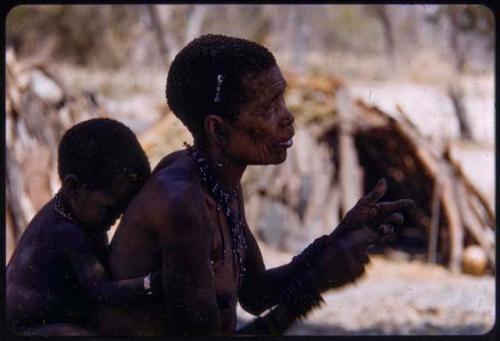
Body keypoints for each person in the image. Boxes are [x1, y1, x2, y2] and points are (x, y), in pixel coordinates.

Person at [97, 34, 414, 336]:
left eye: (282, 99)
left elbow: (255, 293)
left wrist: (336, 240)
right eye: (268, 108)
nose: (288, 117)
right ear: (217, 129)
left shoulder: (219, 181)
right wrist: (315, 282)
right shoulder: (183, 203)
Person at [6, 118, 162, 336]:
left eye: (122, 211)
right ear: (73, 188)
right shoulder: (69, 233)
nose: (116, 218)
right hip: (24, 329)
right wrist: (153, 282)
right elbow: (103, 291)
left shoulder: (77, 213)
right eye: (110, 209)